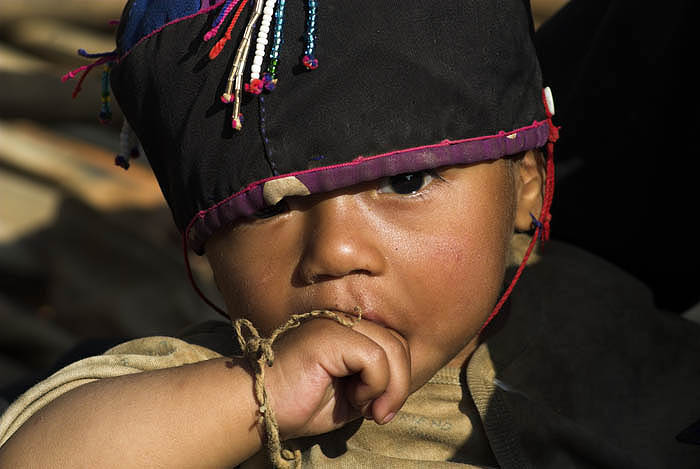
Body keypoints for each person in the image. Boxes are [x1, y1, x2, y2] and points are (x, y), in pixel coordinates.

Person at [1, 0, 699, 467]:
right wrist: (258, 395)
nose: (334, 252)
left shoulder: (593, 303)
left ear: (526, 186)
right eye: (271, 205)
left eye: (403, 182)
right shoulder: (203, 380)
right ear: (204, 247)